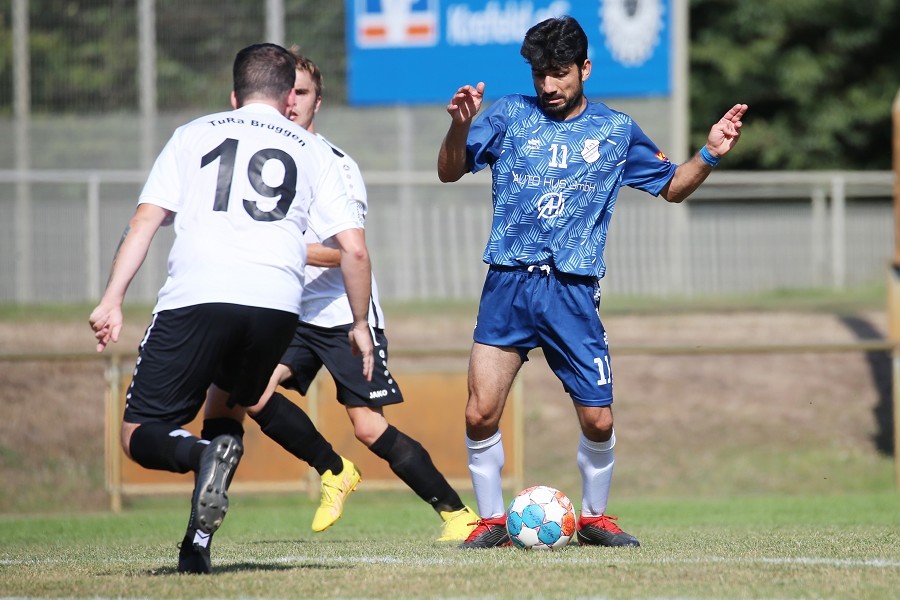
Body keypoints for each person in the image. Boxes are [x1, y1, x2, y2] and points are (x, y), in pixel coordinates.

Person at [437, 16, 748, 548]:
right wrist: (460, 126)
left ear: (585, 68)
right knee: (479, 411)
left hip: (572, 291)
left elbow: (673, 186)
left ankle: (594, 519)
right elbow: (448, 170)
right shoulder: (508, 114)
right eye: (540, 74)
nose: (548, 85)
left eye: (559, 73)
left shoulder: (615, 130)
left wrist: (710, 153)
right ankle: (490, 522)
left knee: (599, 421)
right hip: (508, 283)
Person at [89, 43, 374, 574]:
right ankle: (196, 548)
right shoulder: (314, 151)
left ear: (234, 95)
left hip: (198, 296)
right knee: (226, 408)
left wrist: (112, 299)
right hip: (277, 307)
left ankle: (202, 457)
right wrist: (359, 324)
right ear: (288, 98)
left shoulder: (192, 134)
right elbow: (354, 250)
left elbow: (144, 222)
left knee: (138, 434)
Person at [199, 49, 478, 547]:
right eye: (286, 92)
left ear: (318, 102)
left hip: (341, 314)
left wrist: (272, 244)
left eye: (302, 93)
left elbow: (345, 252)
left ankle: (458, 515)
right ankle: (333, 470)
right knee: (247, 393)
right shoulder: (259, 159)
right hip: (287, 312)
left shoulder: (334, 165)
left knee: (368, 427)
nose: (291, 102)